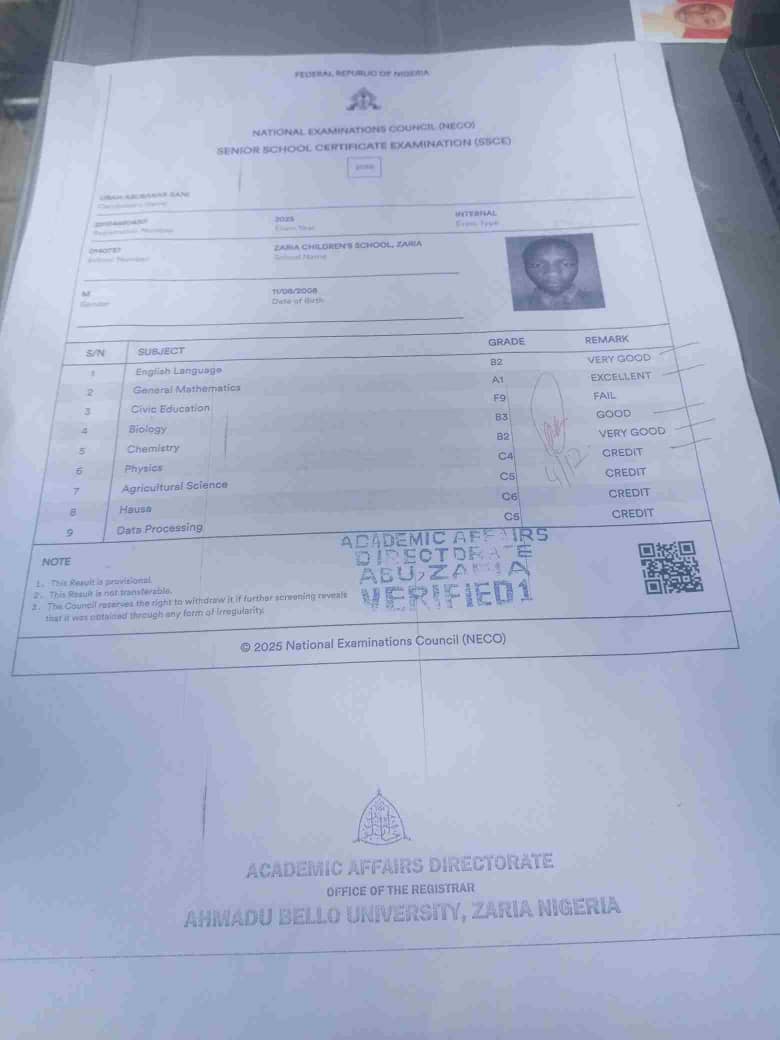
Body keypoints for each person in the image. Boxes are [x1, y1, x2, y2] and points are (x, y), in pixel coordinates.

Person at [514, 237, 605, 311]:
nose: (552, 273)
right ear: (526, 268)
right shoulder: (516, 306)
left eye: (566, 264)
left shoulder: (601, 301)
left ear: (577, 266)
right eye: (537, 265)